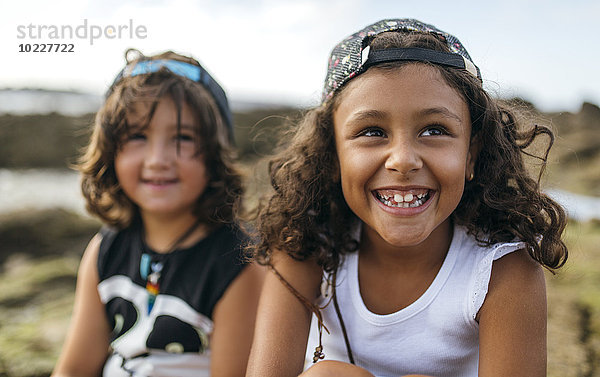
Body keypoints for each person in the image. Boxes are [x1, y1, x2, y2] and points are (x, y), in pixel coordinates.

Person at [245, 19, 568, 377]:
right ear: (332, 155)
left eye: (435, 130)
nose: (402, 160)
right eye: (372, 131)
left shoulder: (501, 269)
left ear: (471, 154)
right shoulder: (305, 248)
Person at [52, 49, 264, 377]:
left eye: (182, 137)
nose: (157, 159)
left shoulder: (238, 263)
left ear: (214, 155)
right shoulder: (105, 248)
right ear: (110, 151)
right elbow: (74, 369)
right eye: (137, 136)